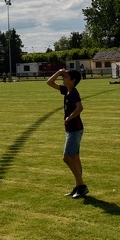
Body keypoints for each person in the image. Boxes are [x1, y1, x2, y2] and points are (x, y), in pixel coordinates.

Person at [47, 69, 87, 199]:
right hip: (72, 129)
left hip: (75, 129)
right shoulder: (66, 90)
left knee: (67, 158)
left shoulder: (73, 93)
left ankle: (81, 186)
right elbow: (49, 82)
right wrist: (58, 72)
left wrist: (70, 117)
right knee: (75, 158)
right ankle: (78, 186)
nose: (63, 78)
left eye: (66, 76)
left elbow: (80, 107)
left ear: (73, 80)